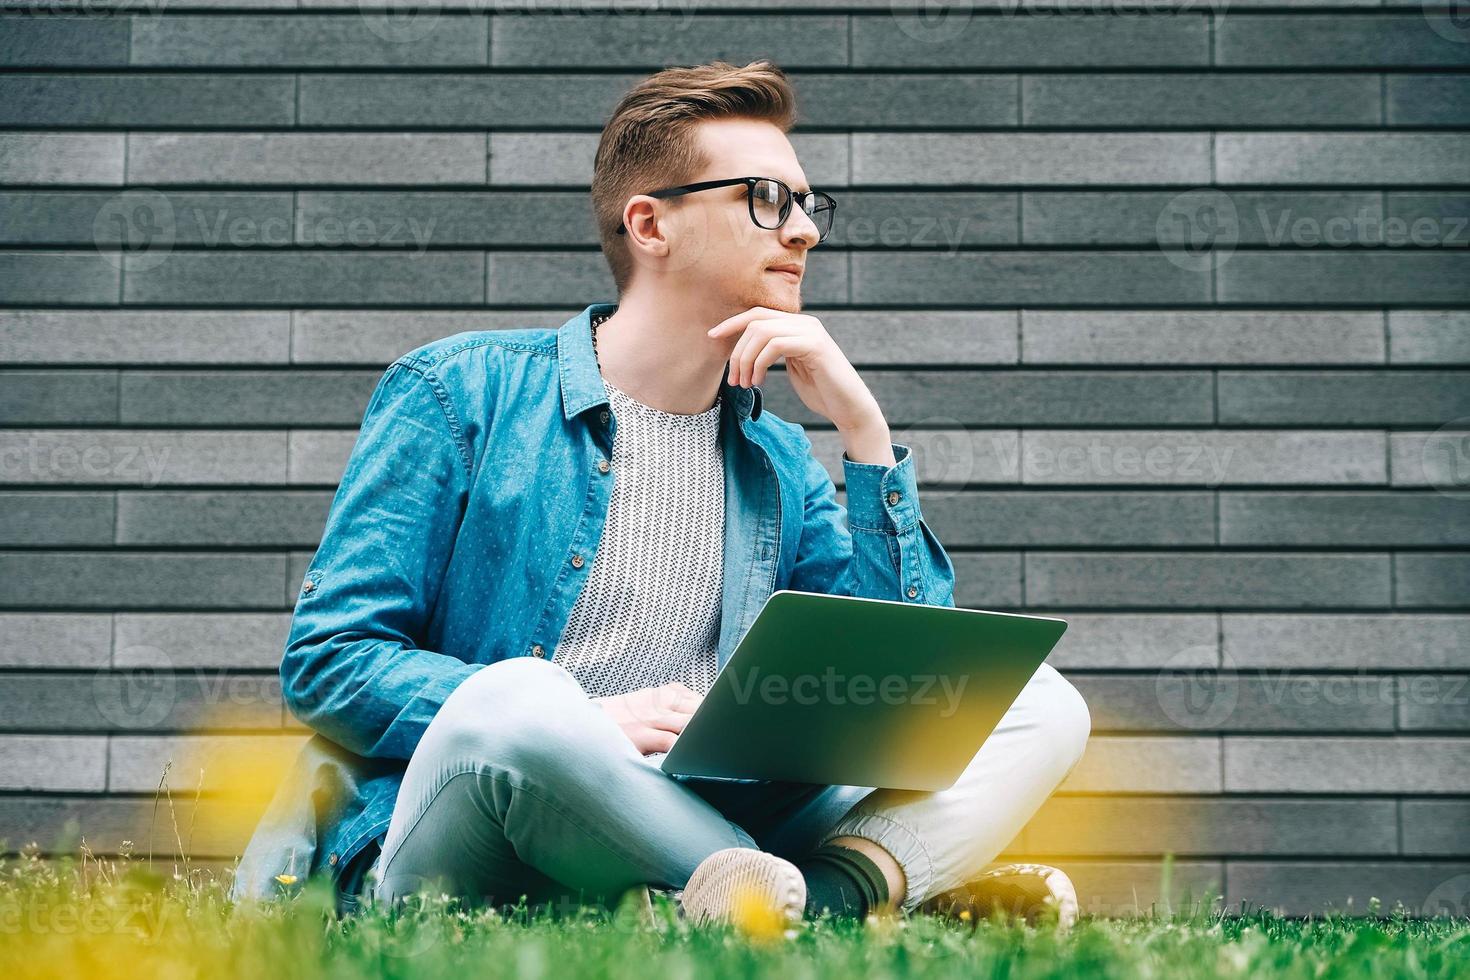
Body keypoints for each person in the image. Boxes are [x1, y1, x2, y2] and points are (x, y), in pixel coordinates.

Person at [230, 59, 1091, 932]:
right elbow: (331, 658)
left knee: (1041, 705)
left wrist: (866, 440)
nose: (803, 232)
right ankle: (842, 903)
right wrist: (587, 718)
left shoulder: (780, 459)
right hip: (485, 818)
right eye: (765, 198)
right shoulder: (459, 395)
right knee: (517, 697)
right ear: (650, 224)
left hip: (710, 815)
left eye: (805, 204)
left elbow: (900, 694)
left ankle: (801, 903)